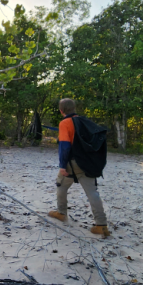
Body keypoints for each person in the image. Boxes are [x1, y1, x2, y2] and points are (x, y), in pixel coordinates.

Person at [47, 98, 110, 237]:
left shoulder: (65, 123)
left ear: (61, 110)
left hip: (72, 163)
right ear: (74, 108)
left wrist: (62, 166)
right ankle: (102, 225)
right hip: (87, 162)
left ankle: (61, 213)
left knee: (61, 186)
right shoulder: (84, 121)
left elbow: (65, 146)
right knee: (92, 192)